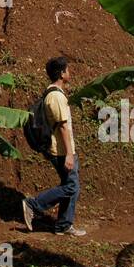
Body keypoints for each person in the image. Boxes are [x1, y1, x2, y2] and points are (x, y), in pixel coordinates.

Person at [21, 56, 86, 237]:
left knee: (70, 184)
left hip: (62, 149)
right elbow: (63, 126)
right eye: (67, 69)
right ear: (62, 73)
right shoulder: (56, 96)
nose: (69, 72)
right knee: (71, 186)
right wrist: (69, 154)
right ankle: (34, 204)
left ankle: (64, 225)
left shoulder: (52, 93)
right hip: (61, 150)